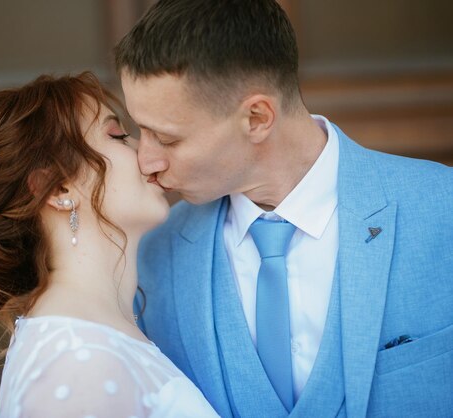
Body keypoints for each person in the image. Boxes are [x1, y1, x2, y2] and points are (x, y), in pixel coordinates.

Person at [114, 0, 453, 417]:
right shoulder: (149, 256)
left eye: (166, 139)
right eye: (138, 130)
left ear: (257, 117)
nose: (146, 162)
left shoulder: (443, 209)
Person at [0, 72, 220, 417]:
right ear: (58, 190)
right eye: (118, 135)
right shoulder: (78, 364)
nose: (148, 154)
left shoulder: (92, 338)